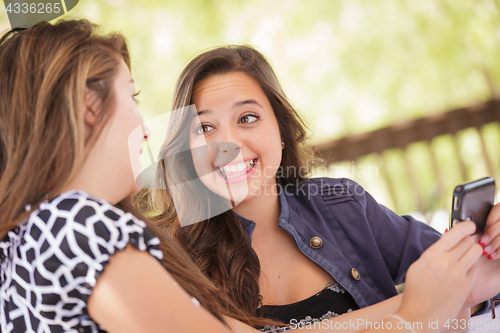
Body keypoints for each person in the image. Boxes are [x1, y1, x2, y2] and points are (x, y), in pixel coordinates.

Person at [0, 20, 494, 333]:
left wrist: (465, 281)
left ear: (282, 127)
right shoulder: (78, 226)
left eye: (249, 118)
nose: (144, 126)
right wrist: (410, 318)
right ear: (89, 109)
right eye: (133, 98)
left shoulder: (44, 230)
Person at [146, 45, 500, 332]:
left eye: (247, 118)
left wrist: (489, 247)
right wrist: (417, 306)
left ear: (282, 133)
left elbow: (470, 279)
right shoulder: (170, 260)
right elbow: (456, 291)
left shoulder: (341, 204)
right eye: (205, 128)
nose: (228, 144)